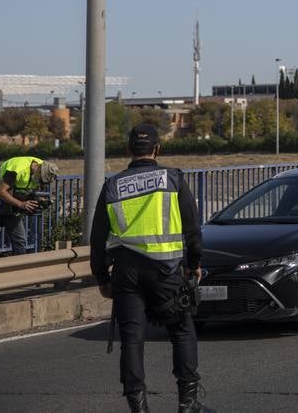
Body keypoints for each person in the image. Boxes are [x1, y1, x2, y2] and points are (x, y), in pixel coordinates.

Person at [90, 123, 205, 413]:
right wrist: (194, 265)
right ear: (157, 149)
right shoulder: (173, 179)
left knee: (131, 339)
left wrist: (102, 277)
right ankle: (187, 403)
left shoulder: (112, 185)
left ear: (129, 149)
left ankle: (138, 408)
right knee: (181, 331)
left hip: (126, 272)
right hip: (166, 269)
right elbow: (192, 227)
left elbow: (98, 238)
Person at [0, 155, 58, 259]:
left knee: (20, 239)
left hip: (10, 197)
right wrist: (21, 204)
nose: (40, 183)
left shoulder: (43, 169)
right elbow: (1, 191)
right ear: (36, 168)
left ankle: (20, 269)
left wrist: (39, 202)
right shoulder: (17, 169)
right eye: (40, 180)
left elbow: (27, 190)